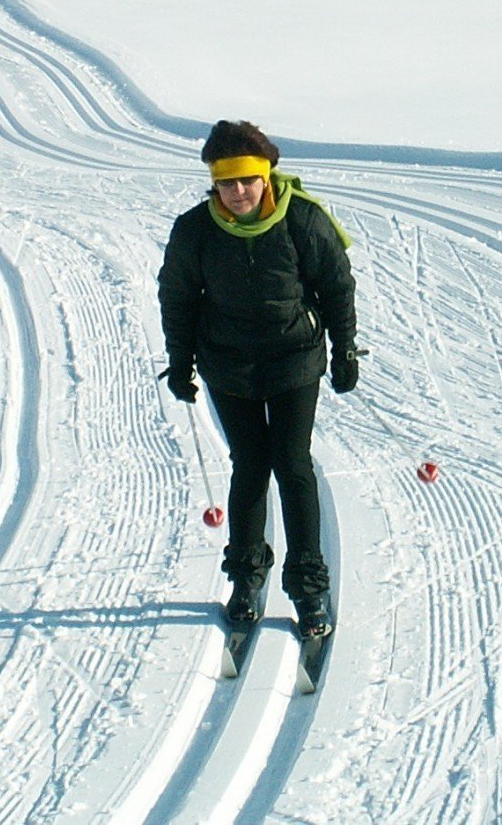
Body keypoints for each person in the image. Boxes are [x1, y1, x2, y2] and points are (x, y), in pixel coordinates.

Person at [157, 119, 359, 640]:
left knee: (292, 465)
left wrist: (344, 350)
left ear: (267, 176)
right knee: (249, 465)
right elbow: (177, 299)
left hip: (293, 359)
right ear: (214, 185)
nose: (239, 192)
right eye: (228, 183)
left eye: (248, 180)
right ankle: (246, 578)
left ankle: (309, 585)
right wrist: (181, 363)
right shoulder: (195, 230)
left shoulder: (303, 222)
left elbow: (336, 286)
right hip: (229, 364)